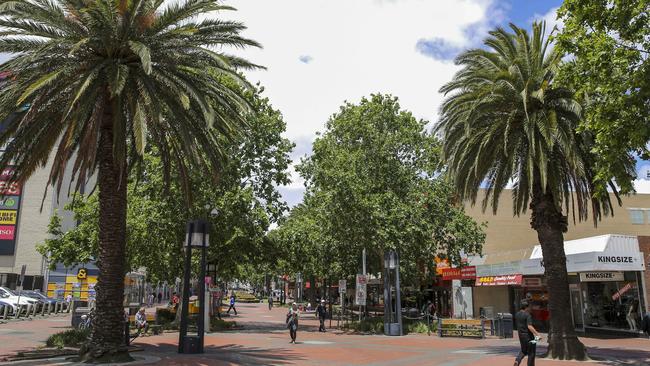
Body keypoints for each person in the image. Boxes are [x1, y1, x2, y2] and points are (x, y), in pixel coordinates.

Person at [514, 300, 541, 366]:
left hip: (521, 336)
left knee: (523, 351)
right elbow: (529, 326)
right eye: (529, 307)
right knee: (531, 353)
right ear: (527, 307)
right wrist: (538, 334)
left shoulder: (517, 314)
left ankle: (517, 360)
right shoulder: (527, 315)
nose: (530, 308)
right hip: (529, 337)